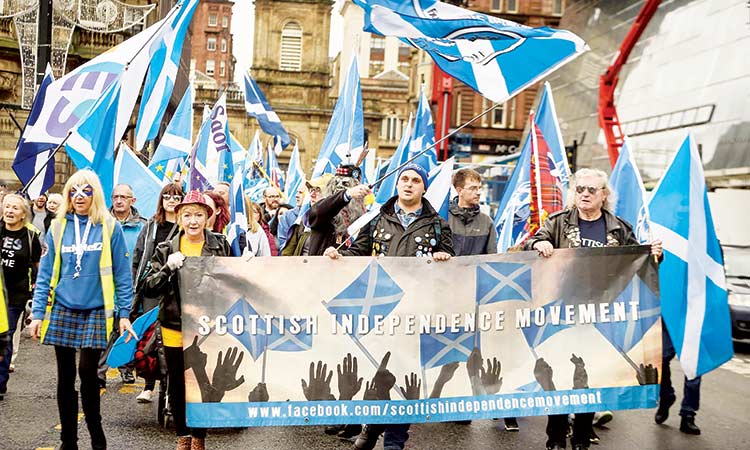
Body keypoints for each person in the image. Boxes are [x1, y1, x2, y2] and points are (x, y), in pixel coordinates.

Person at [524, 167, 663, 450]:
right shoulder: (558, 222)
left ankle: (582, 437)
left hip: (602, 316)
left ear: (604, 195)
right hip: (563, 313)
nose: (584, 194)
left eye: (591, 190)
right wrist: (539, 242)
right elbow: (531, 242)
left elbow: (636, 263)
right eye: (580, 189)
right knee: (561, 377)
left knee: (590, 380)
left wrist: (655, 256)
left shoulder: (619, 228)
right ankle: (555, 438)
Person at [326, 163, 454, 450]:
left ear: (424, 187)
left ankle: (395, 438)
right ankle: (372, 426)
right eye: (404, 179)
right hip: (381, 313)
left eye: (416, 180)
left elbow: (450, 267)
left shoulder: (438, 225)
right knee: (380, 371)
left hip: (415, 313)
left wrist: (445, 258)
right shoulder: (376, 220)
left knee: (406, 375)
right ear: (397, 185)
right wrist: (338, 254)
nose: (408, 184)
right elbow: (357, 251)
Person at [27, 169, 136, 450]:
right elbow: (45, 273)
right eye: (73, 191)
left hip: (96, 309)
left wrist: (124, 314)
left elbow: (124, 275)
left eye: (85, 191)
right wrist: (38, 313)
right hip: (63, 306)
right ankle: (68, 442)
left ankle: (97, 436)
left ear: (95, 194)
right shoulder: (58, 227)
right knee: (64, 376)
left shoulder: (110, 226)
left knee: (88, 373)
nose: (78, 196)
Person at [141, 190, 231, 450]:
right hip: (174, 326)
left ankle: (199, 438)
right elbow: (149, 288)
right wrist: (168, 268)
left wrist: (244, 264)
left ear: (208, 218)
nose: (193, 221)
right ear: (179, 217)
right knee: (178, 385)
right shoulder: (166, 248)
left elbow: (231, 280)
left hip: (205, 328)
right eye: (187, 215)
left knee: (201, 384)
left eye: (199, 215)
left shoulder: (219, 244)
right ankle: (182, 437)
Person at [446, 169, 521, 430]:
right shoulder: (442, 219)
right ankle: (449, 402)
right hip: (446, 297)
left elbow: (491, 260)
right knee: (451, 351)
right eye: (473, 187)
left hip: (476, 297)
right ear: (458, 190)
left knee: (475, 352)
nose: (479, 192)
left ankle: (470, 403)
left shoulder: (486, 222)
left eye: (480, 187)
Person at [130, 183, 184, 402]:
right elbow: (138, 255)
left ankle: (171, 389)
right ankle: (148, 385)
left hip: (176, 290)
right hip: (152, 287)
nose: (171, 201)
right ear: (161, 201)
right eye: (167, 197)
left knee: (172, 340)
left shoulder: (184, 227)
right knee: (150, 338)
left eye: (176, 197)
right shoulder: (151, 225)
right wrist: (135, 286)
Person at [0, 194, 42, 401]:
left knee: (5, 337)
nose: (10, 211)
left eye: (15, 208)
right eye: (7, 207)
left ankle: (0, 382)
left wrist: (35, 296)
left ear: (23, 214)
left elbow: (36, 268)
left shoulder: (31, 237)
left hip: (14, 295)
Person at [307, 167, 370, 256]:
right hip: (320, 267)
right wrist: (347, 194)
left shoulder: (365, 217)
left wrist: (340, 254)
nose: (339, 187)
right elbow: (317, 212)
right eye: (336, 184)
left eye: (345, 184)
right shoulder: (322, 212)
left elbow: (360, 250)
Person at [655, 320, 702, 434]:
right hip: (670, 316)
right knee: (660, 359)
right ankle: (666, 396)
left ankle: (688, 415)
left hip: (694, 319)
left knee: (693, 367)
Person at [282, 175, 331, 256]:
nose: (312, 194)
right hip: (301, 267)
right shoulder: (304, 220)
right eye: (311, 190)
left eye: (318, 190)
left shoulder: (339, 224)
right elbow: (287, 253)